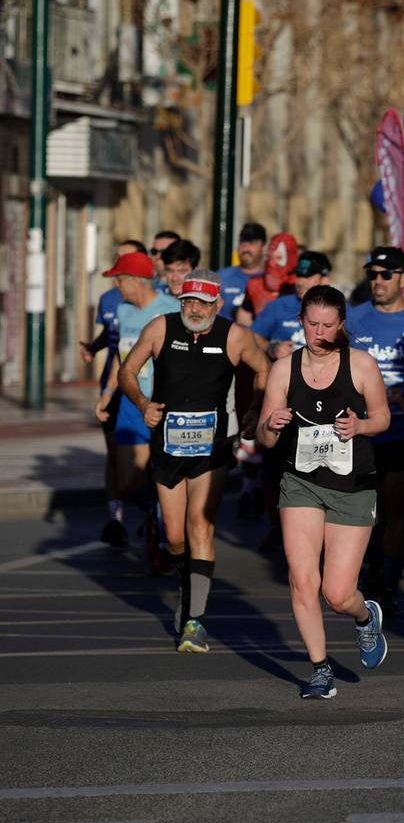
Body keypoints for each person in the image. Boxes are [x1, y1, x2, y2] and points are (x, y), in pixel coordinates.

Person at [118, 270, 271, 652]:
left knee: (200, 524)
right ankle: (187, 584)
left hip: (214, 446)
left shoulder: (234, 336)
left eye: (203, 303)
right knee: (174, 537)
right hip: (168, 445)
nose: (194, 309)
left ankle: (194, 621)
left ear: (217, 304)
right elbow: (127, 371)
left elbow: (265, 368)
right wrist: (143, 404)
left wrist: (253, 410)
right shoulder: (160, 328)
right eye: (188, 301)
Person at [257, 286, 391, 699]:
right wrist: (272, 425)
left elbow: (384, 417)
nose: (318, 332)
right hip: (300, 481)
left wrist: (361, 426)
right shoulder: (283, 368)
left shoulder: (362, 365)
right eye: (311, 323)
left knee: (337, 593)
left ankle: (365, 617)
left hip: (352, 486)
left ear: (341, 325)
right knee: (302, 580)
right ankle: (320, 669)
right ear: (301, 321)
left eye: (327, 325)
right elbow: (261, 436)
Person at [346, 246, 404, 613]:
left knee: (395, 503)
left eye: (386, 275)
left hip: (401, 432)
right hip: (358, 431)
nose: (378, 282)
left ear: (403, 277)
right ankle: (367, 569)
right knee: (365, 510)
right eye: (373, 275)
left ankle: (388, 581)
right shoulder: (352, 319)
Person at [98, 251, 181, 572]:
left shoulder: (171, 309)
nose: (116, 286)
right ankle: (153, 511)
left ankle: (164, 532)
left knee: (159, 474)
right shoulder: (122, 309)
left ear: (135, 280)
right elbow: (122, 359)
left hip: (165, 405)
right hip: (132, 405)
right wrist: (107, 396)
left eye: (119, 279)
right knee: (129, 481)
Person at [249, 251, 333, 549]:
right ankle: (276, 527)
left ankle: (324, 530)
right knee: (275, 467)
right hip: (284, 401)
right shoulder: (278, 307)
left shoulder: (335, 308)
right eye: (297, 275)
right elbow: (252, 337)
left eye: (307, 276)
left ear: (325, 278)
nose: (300, 282)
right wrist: (271, 345)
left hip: (325, 404)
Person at [83, 239, 145, 546]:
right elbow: (111, 340)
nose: (119, 266)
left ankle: (154, 515)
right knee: (115, 457)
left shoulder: (156, 300)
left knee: (142, 465)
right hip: (115, 385)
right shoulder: (111, 300)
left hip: (146, 393)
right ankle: (115, 517)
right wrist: (92, 350)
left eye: (126, 261)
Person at [242, 232, 299, 324]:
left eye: (278, 258)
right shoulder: (254, 284)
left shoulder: (302, 286)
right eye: (269, 257)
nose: (271, 263)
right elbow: (243, 321)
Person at [218, 223, 267, 321]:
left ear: (263, 247)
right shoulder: (221, 277)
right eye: (242, 242)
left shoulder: (271, 280)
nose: (245, 248)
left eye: (252, 243)